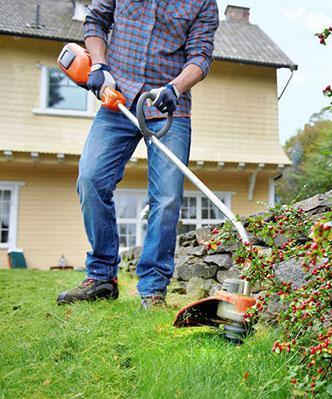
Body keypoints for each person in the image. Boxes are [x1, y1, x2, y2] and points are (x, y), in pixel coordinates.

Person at [57, 0, 219, 309]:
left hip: (168, 107)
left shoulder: (203, 3)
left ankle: (153, 290)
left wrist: (175, 87)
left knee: (167, 198)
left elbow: (200, 56)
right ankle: (102, 277)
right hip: (115, 98)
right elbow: (96, 22)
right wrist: (99, 66)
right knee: (91, 179)